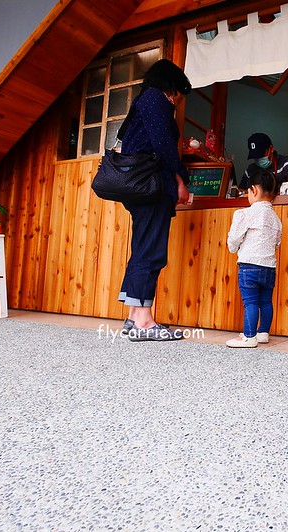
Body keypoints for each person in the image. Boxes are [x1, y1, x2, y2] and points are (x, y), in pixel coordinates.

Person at [118, 59, 191, 342]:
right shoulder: (155, 99)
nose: (178, 103)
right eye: (179, 96)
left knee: (142, 248)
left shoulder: (141, 101)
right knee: (151, 251)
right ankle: (144, 322)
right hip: (152, 186)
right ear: (170, 87)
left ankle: (133, 315)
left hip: (139, 187)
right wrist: (181, 178)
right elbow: (163, 145)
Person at [226, 170, 282, 348]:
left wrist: (235, 248)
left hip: (249, 266)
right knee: (266, 302)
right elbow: (277, 243)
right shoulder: (276, 219)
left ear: (254, 190)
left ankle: (249, 337)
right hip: (269, 268)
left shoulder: (244, 214)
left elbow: (233, 241)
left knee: (250, 302)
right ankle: (263, 333)